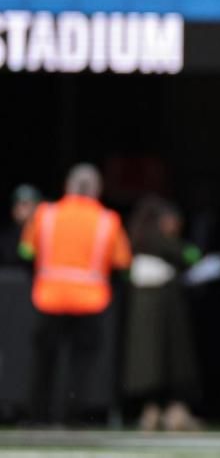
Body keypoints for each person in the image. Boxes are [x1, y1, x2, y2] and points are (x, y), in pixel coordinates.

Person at [19, 164, 132, 424]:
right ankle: (72, 416)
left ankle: (38, 416)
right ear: (97, 190)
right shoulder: (108, 220)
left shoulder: (45, 214)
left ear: (67, 186)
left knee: (44, 362)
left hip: (48, 297)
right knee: (80, 365)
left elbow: (25, 251)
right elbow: (123, 263)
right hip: (90, 300)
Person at [123, 196, 202, 431]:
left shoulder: (136, 241)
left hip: (144, 311)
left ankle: (153, 410)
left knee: (148, 363)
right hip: (165, 310)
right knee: (168, 361)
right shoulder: (161, 242)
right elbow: (192, 254)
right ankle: (169, 411)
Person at [0, 184, 41, 266]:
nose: (19, 207)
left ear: (36, 207)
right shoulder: (4, 237)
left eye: (25, 204)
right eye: (16, 203)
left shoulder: (44, 236)